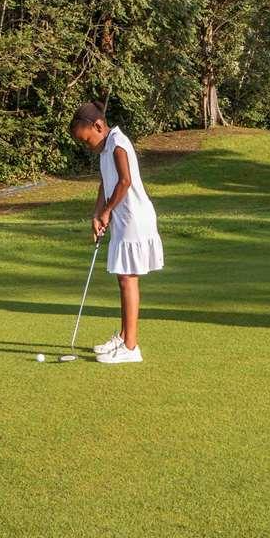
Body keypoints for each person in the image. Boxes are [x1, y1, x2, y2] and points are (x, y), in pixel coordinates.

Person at [70, 101, 164, 364]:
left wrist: (108, 211)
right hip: (123, 217)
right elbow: (106, 183)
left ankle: (131, 347)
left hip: (135, 218)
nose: (88, 145)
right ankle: (123, 337)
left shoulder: (118, 143)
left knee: (127, 279)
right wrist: (98, 213)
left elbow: (125, 181)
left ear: (98, 126)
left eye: (87, 139)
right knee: (123, 278)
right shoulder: (105, 150)